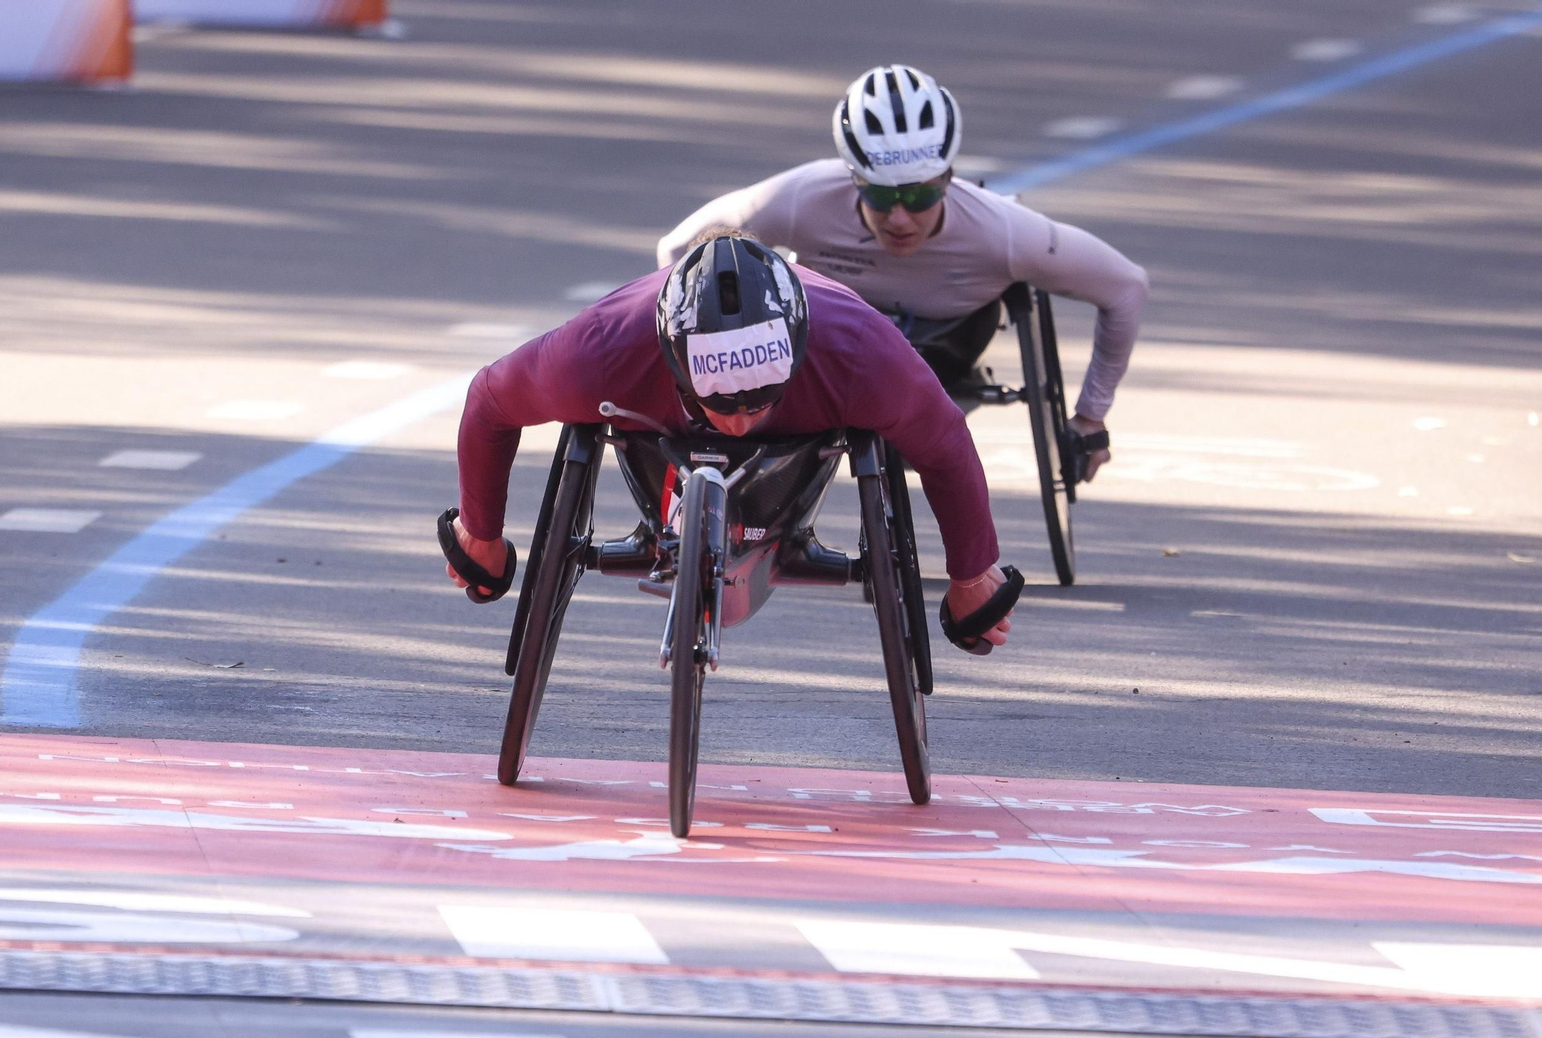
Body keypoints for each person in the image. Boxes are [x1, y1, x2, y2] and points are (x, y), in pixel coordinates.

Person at [445, 235, 1019, 650]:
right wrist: (483, 531)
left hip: (802, 447)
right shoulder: (600, 351)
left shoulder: (860, 351)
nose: (740, 423)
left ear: (797, 350)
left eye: (761, 399)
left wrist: (972, 574)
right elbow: (490, 402)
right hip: (656, 437)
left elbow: (944, 442)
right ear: (670, 357)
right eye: (717, 402)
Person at [656, 63, 1150, 482]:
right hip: (829, 345)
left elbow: (1126, 287)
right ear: (854, 178)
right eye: (880, 196)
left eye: (918, 196)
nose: (899, 218)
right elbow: (678, 248)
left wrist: (1089, 418)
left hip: (947, 347)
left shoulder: (1003, 231)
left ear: (948, 180)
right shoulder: (804, 197)